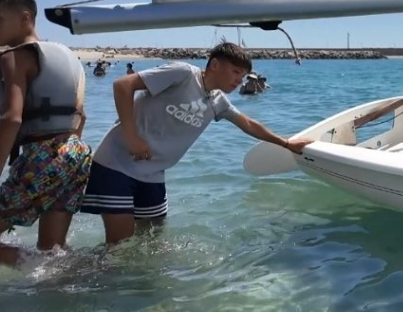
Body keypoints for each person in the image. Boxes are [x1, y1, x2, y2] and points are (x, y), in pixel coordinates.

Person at [81, 43, 310, 244]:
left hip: (152, 174)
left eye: (242, 76)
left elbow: (248, 124)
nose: (239, 81)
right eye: (236, 72)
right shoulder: (182, 74)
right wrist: (132, 136)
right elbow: (123, 85)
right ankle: (78, 275)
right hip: (116, 164)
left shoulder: (217, 102)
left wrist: (286, 143)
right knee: (120, 245)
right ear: (215, 65)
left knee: (151, 241)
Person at [0, 0, 91, 266]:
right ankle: (74, 277)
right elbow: (82, 115)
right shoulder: (67, 56)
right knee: (53, 249)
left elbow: (11, 119)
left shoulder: (15, 57)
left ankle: (42, 271)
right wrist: (64, 161)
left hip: (42, 156)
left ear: (25, 18)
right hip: (76, 152)